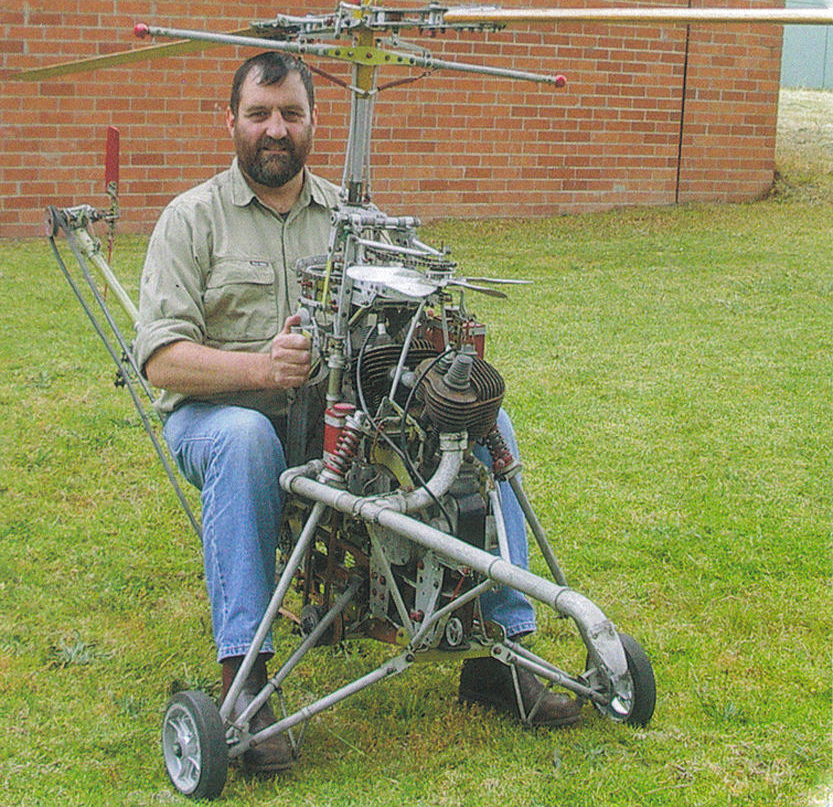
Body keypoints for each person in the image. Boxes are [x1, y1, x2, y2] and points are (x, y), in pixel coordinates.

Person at [134, 52, 580, 775]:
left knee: (485, 422)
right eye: (258, 115)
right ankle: (244, 677)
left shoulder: (356, 221)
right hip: (222, 417)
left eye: (290, 114)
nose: (274, 129)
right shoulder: (192, 219)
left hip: (338, 417)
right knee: (248, 439)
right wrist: (259, 367)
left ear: (314, 122)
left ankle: (506, 648)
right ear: (231, 122)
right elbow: (160, 358)